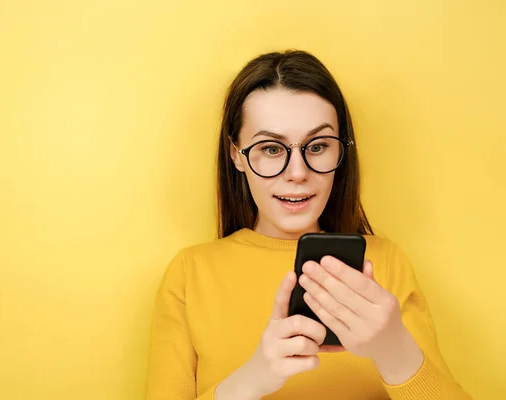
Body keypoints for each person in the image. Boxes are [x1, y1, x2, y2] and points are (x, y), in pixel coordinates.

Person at [145, 50, 471, 399]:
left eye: (317, 147)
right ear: (236, 155)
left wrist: (394, 349)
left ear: (340, 151)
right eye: (271, 149)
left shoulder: (385, 263)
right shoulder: (190, 273)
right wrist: (251, 380)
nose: (297, 173)